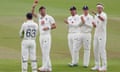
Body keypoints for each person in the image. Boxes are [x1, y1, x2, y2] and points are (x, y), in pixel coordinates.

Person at [32, 3, 56, 72]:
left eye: (44, 10)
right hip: (41, 36)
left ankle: (44, 67)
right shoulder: (39, 17)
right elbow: (33, 14)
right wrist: (33, 7)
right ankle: (49, 67)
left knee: (46, 52)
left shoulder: (49, 17)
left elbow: (54, 26)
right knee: (44, 52)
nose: (43, 11)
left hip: (47, 36)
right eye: (42, 10)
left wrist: (48, 27)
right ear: (40, 11)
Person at [91, 3, 107, 71]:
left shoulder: (104, 15)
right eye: (97, 8)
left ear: (102, 8)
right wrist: (93, 24)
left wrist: (96, 14)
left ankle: (104, 66)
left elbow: (102, 19)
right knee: (95, 50)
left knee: (102, 50)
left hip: (102, 35)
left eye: (100, 8)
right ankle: (97, 65)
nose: (98, 9)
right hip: (96, 34)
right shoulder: (96, 16)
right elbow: (95, 26)